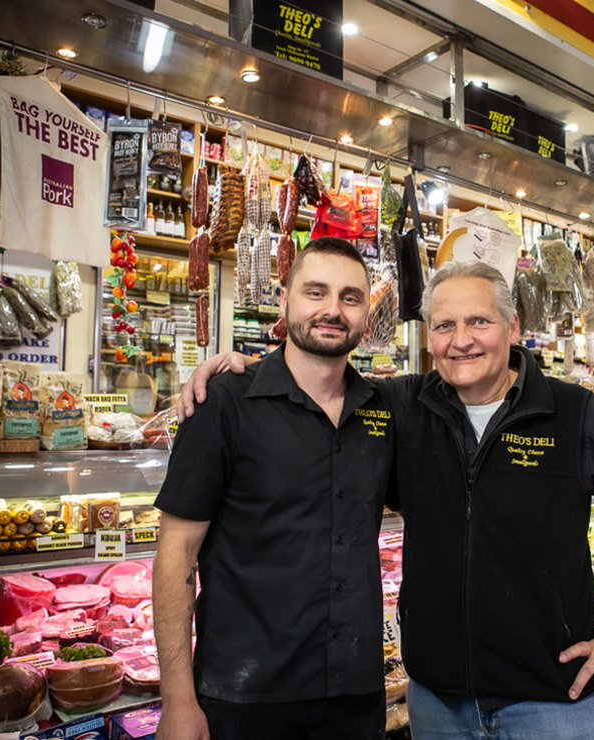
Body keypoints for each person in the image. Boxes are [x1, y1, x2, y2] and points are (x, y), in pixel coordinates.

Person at [181, 260, 594, 738]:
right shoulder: (400, 406)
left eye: (479, 322)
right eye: (445, 326)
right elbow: (317, 380)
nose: (461, 341)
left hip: (550, 705)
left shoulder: (574, 413)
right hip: (436, 706)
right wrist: (243, 370)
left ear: (512, 327)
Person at [153, 237, 393, 740]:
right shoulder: (224, 402)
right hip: (245, 697)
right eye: (315, 292)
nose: (333, 310)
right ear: (284, 300)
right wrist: (177, 699)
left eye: (350, 297)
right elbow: (176, 553)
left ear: (366, 316)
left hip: (355, 694)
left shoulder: (384, 408)